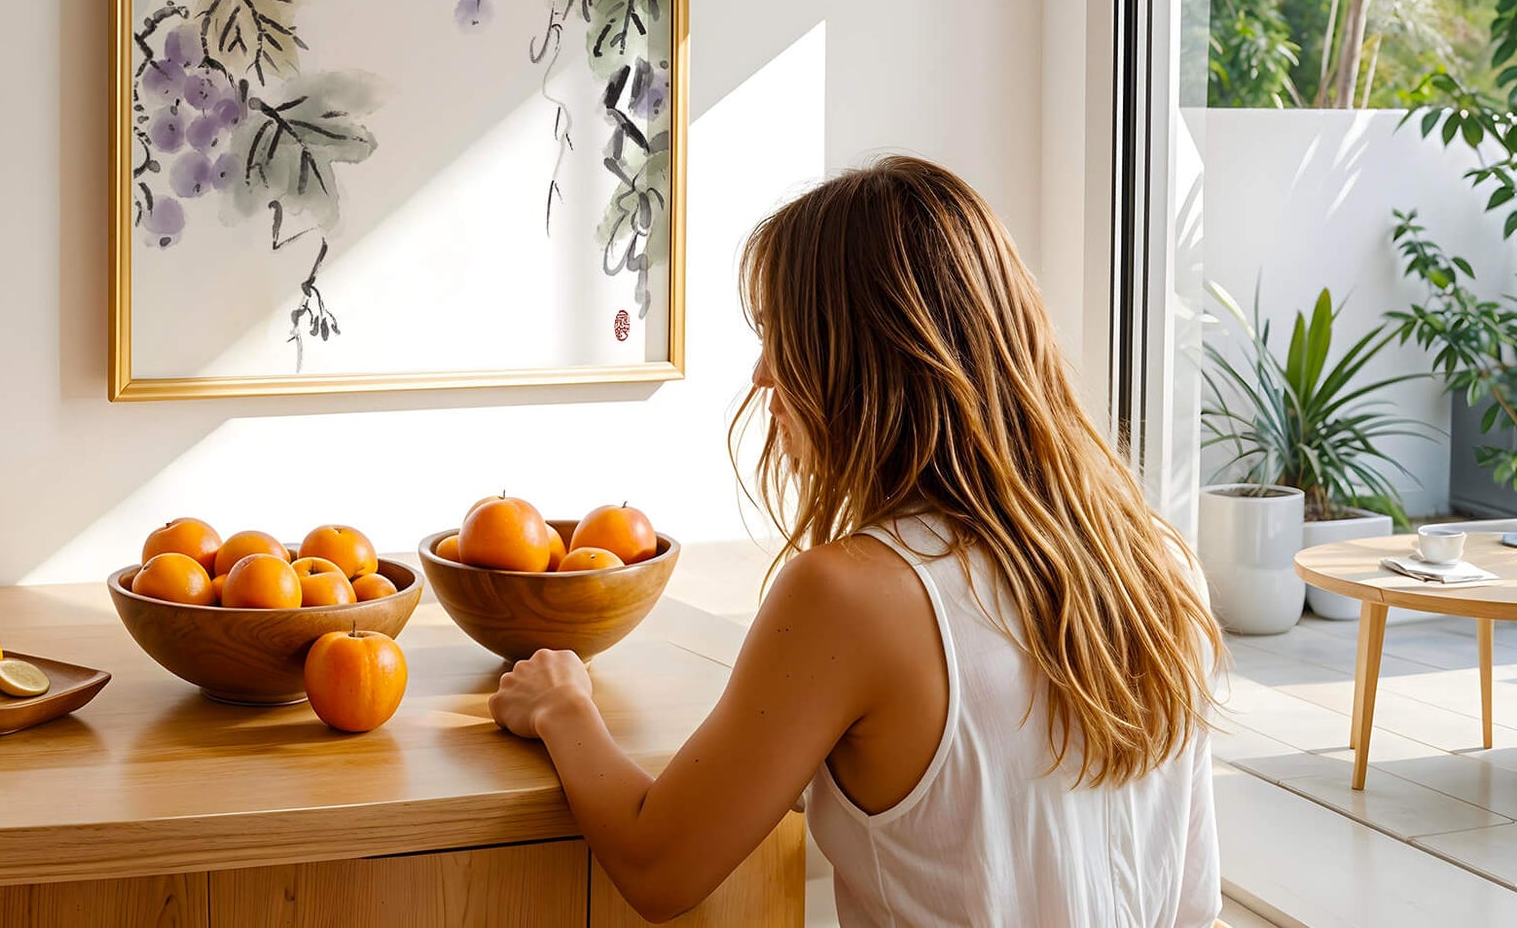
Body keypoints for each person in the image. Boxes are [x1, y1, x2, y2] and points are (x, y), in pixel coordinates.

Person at [490, 157, 1222, 926]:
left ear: (863, 357)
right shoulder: (1159, 562)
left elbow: (657, 864)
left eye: (784, 334)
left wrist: (563, 704)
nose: (762, 373)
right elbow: (1193, 902)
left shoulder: (848, 594)